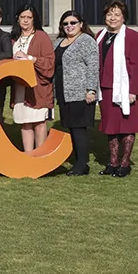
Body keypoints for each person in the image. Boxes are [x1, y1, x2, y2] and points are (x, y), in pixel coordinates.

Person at [96, 0, 138, 178]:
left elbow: (137, 65)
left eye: (117, 14)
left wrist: (133, 91)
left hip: (124, 89)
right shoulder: (100, 35)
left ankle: (125, 164)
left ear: (124, 17)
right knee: (111, 127)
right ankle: (113, 162)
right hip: (106, 88)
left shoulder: (132, 36)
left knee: (126, 125)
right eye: (109, 14)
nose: (113, 18)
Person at [52, 10, 99, 176]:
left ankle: (81, 164)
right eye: (66, 23)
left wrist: (91, 90)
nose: (69, 26)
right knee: (71, 127)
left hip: (81, 92)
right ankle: (80, 161)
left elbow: (93, 67)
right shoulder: (58, 42)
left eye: (73, 22)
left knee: (78, 128)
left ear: (81, 24)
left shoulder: (86, 41)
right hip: (64, 92)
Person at [10, 4, 55, 153]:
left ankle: (40, 156)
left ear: (34, 19)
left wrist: (30, 58)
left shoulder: (41, 36)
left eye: (29, 17)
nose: (25, 20)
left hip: (37, 87)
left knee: (38, 122)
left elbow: (50, 61)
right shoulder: (14, 39)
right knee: (25, 123)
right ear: (17, 19)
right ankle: (28, 156)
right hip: (20, 88)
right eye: (22, 17)